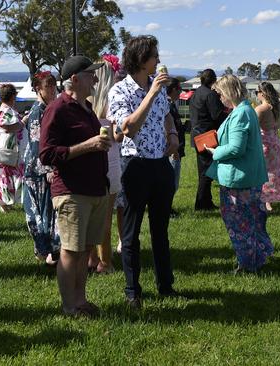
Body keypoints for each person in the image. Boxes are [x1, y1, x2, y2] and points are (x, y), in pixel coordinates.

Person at [108, 35, 180, 309]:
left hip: (159, 164)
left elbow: (166, 114)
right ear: (141, 60)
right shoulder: (119, 91)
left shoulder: (158, 88)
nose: (159, 61)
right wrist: (150, 94)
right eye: (154, 56)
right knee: (131, 232)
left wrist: (172, 134)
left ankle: (166, 286)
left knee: (160, 230)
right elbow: (128, 128)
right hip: (134, 164)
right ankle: (132, 291)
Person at [39, 55, 110, 317]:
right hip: (71, 191)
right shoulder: (57, 109)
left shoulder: (87, 108)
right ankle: (69, 305)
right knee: (71, 250)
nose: (95, 78)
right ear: (75, 79)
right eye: (91, 74)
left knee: (85, 250)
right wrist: (87, 146)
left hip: (94, 189)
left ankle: (80, 301)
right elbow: (46, 154)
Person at [205, 75, 272, 273]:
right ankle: (258, 257)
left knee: (239, 223)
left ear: (228, 92)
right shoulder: (245, 109)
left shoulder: (240, 113)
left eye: (220, 94)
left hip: (239, 179)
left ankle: (247, 264)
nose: (219, 98)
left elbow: (236, 148)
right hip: (249, 177)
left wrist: (215, 151)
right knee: (253, 221)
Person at [87, 55, 123, 274]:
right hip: (110, 163)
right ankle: (106, 262)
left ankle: (91, 258)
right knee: (105, 219)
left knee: (91, 216)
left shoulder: (86, 104)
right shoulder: (114, 102)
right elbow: (119, 135)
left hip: (91, 163)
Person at [23, 71, 60, 266]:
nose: (53, 89)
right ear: (38, 88)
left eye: (54, 85)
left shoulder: (47, 108)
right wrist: (48, 169)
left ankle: (48, 251)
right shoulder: (38, 111)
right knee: (42, 211)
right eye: (49, 86)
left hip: (43, 168)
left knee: (47, 211)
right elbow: (38, 144)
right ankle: (47, 252)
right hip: (39, 171)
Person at [189, 68, 226, 211]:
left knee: (203, 171)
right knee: (207, 172)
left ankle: (206, 201)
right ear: (213, 80)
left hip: (197, 135)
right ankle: (201, 203)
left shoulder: (197, 93)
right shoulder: (210, 94)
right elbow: (216, 115)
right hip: (207, 136)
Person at [255, 82, 280, 211]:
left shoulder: (261, 109)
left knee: (264, 172)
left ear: (262, 93)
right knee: (274, 170)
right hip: (275, 141)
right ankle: (271, 198)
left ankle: (266, 200)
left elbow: (253, 127)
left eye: (256, 92)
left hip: (265, 142)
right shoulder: (276, 108)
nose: (256, 95)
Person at [0, 83, 26, 213]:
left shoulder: (5, 109)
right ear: (13, 96)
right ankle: (4, 203)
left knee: (7, 175)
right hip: (9, 148)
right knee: (6, 175)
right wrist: (23, 122)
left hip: (11, 147)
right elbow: (6, 126)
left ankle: (7, 202)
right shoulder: (6, 110)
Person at [167, 77, 186, 216]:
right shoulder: (167, 105)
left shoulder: (171, 104)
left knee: (173, 182)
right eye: (179, 89)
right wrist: (173, 150)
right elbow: (166, 129)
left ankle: (168, 206)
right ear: (173, 89)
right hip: (172, 150)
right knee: (171, 182)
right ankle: (167, 208)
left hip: (176, 148)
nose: (180, 92)